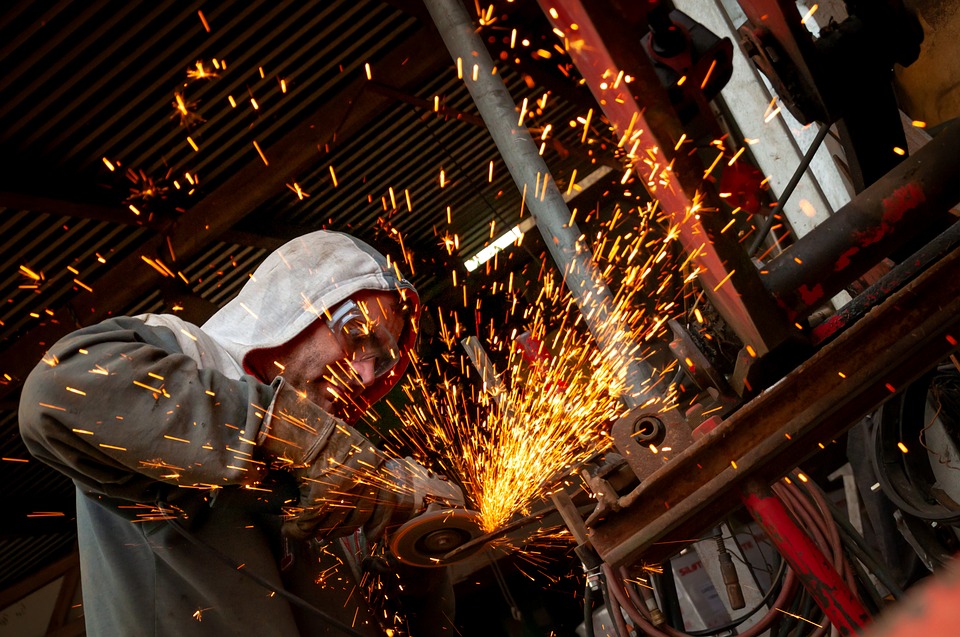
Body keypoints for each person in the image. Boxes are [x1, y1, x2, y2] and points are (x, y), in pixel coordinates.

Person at [19, 230, 458, 636]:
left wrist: (412, 555)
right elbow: (56, 392)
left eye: (380, 361)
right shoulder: (185, 353)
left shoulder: (349, 473)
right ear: (295, 308)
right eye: (356, 333)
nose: (362, 374)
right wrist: (288, 433)